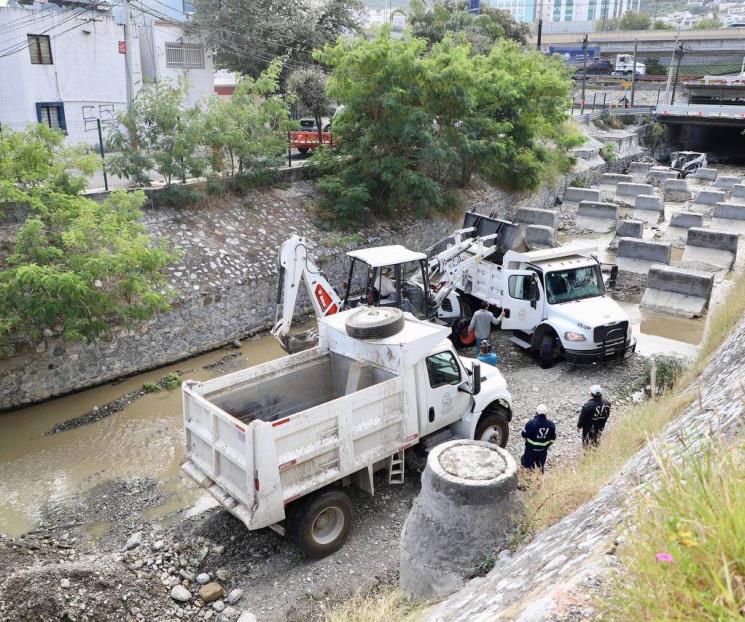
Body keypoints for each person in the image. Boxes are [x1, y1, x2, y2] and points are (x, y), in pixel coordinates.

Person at [520, 404, 556, 472]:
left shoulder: (531, 423)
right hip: (543, 450)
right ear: (546, 413)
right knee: (540, 466)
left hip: (530, 449)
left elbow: (523, 434)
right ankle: (539, 480)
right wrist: (546, 445)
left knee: (527, 466)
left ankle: (529, 480)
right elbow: (553, 439)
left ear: (536, 413)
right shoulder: (551, 425)